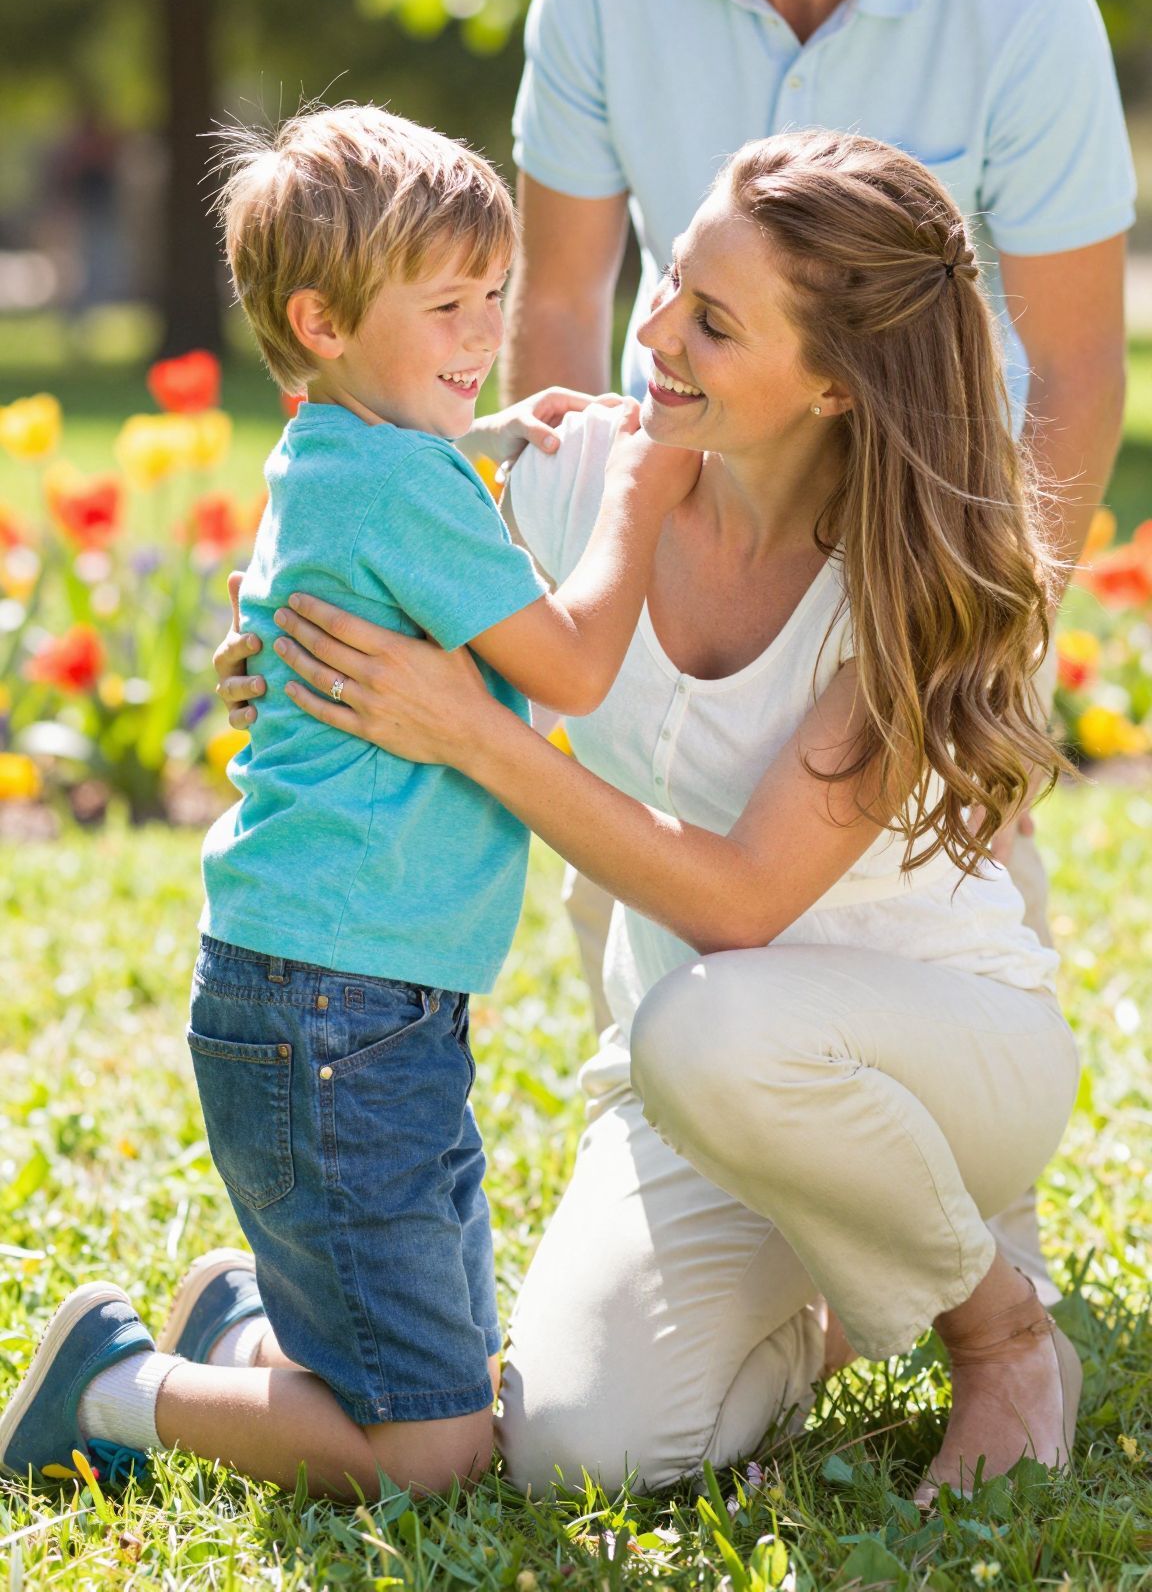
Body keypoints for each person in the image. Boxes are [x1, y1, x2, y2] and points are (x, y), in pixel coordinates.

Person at [208, 129, 1082, 1504]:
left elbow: (739, 906)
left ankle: (1003, 1328)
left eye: (714, 324)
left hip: (936, 1055)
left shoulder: (915, 589)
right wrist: (295, 661)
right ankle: (848, 1283)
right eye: (670, 279)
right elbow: (377, 539)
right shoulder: (577, 478)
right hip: (689, 1091)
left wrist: (475, 736)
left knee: (711, 1012)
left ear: (837, 385)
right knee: (578, 1451)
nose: (655, 332)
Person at [502, 0, 1133, 1265]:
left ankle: (980, 1281)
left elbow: (1071, 365)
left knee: (928, 967)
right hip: (684, 542)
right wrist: (567, 600)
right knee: (665, 1006)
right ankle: (722, 1268)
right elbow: (561, 306)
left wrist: (981, 653)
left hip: (905, 571)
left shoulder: (1020, 2)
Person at [0, 105, 696, 1502]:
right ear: (320, 321)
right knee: (437, 1454)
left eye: (495, 296)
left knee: (459, 1388)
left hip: (352, 997)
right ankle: (115, 1387)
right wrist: (643, 485)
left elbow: (401, 488)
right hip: (341, 1012)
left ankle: (243, 1333)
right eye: (447, 305)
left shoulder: (334, 451)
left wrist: (486, 428)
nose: (485, 329)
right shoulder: (396, 486)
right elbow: (563, 660)